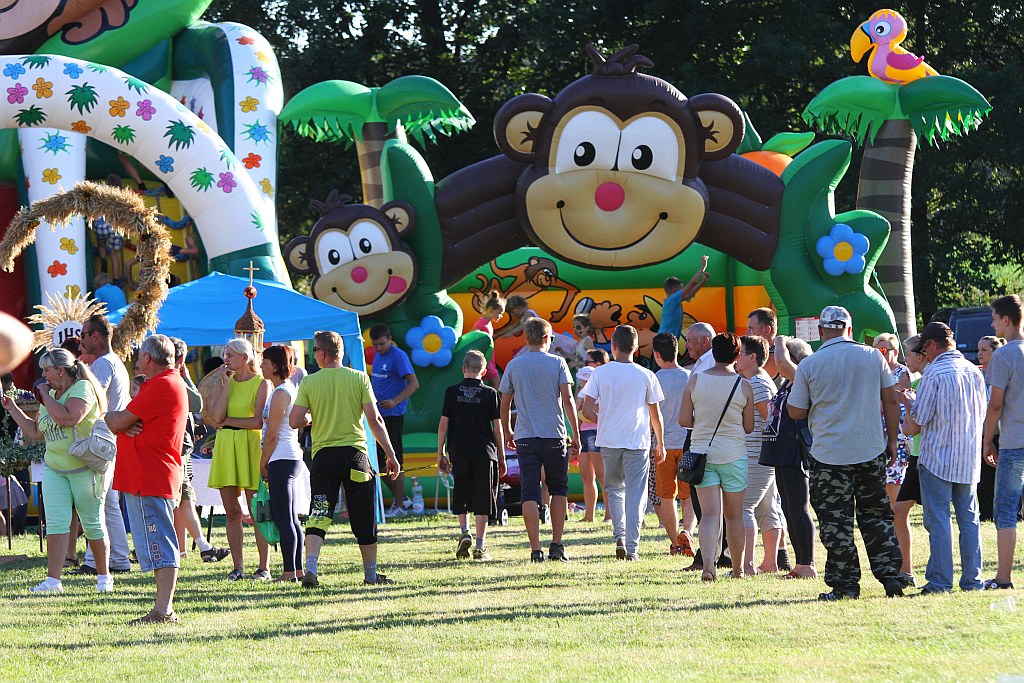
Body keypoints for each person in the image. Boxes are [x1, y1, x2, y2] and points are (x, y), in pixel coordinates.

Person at [787, 306, 905, 601]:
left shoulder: (810, 364)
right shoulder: (873, 356)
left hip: (829, 456)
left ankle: (845, 585)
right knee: (877, 516)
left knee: (835, 523)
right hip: (870, 448)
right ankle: (892, 577)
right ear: (849, 329)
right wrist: (892, 440)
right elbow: (891, 401)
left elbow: (796, 410)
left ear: (821, 331)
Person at [290, 330, 401, 587]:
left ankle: (311, 569)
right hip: (355, 457)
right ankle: (371, 575)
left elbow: (295, 421)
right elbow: (375, 420)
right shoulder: (359, 378)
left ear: (321, 353)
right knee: (363, 516)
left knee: (319, 513)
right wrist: (391, 455)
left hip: (323, 458)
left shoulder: (310, 382)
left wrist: (311, 418)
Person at [1, 349, 110, 593]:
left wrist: (45, 396)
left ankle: (104, 578)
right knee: (56, 524)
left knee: (92, 524)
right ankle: (53, 581)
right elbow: (36, 432)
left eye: (46, 370)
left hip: (85, 468)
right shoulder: (49, 394)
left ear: (61, 370)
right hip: (56, 469)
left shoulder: (82, 389)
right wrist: (12, 409)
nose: (43, 376)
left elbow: (68, 418)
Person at [898, 322, 986, 594]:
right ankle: (972, 580)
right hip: (968, 457)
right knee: (969, 520)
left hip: (937, 457)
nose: (925, 355)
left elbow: (918, 422)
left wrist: (909, 403)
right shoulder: (974, 371)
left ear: (932, 345)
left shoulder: (934, 373)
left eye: (925, 349)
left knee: (938, 521)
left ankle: (939, 582)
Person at [105, 335, 188, 622]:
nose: (136, 359)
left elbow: (118, 421)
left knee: (159, 545)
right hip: (149, 474)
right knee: (156, 544)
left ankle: (164, 610)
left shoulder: (162, 384)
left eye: (139, 355)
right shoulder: (166, 382)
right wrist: (122, 422)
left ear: (149, 358)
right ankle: (162, 608)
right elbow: (125, 422)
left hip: (150, 475)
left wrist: (114, 419)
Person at [499, 317, 580, 562]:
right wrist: (575, 434)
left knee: (529, 492)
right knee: (558, 489)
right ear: (547, 338)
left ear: (527, 337)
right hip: (554, 434)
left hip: (525, 436)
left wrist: (507, 431)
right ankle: (557, 544)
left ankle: (535, 549)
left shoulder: (514, 365)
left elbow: (504, 404)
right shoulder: (558, 363)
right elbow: (568, 400)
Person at [581, 326, 665, 560]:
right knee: (636, 495)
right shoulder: (647, 375)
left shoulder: (599, 373)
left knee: (615, 490)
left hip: (608, 441)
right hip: (637, 441)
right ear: (636, 348)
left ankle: (619, 537)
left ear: (613, 346)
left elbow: (586, 410)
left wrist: (603, 419)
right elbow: (656, 415)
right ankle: (633, 547)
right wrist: (661, 442)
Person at [678, 333, 754, 581]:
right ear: (737, 354)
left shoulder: (696, 380)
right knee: (734, 515)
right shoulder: (743, 385)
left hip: (703, 454)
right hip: (733, 455)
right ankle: (737, 569)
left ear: (713, 351)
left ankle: (708, 567)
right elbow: (750, 426)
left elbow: (683, 420)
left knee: (709, 515)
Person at [207, 338, 271, 581]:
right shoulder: (225, 382)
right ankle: (238, 567)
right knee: (232, 510)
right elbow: (215, 418)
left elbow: (257, 421)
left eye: (230, 355)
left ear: (245, 358)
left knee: (258, 509)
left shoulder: (261, 383)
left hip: (250, 447)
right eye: (225, 354)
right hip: (226, 447)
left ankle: (263, 567)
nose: (226, 359)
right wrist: (225, 387)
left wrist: (228, 422)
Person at [75, 314, 132, 575]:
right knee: (107, 502)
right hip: (110, 437)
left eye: (84, 334)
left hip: (101, 438)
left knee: (95, 500)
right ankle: (118, 558)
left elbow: (91, 399)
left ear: (95, 336)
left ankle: (95, 560)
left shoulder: (102, 365)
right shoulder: (115, 362)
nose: (82, 340)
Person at [437, 350, 505, 561]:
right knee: (484, 497)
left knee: (462, 493)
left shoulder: (450, 392)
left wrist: (440, 452)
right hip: (485, 453)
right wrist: (501, 456)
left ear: (463, 369)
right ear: (484, 371)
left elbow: (443, 425)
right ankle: (480, 545)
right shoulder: (491, 394)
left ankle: (464, 531)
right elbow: (497, 428)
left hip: (459, 451)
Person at [760, 336, 818, 579]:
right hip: (781, 452)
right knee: (788, 507)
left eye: (777, 353)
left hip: (794, 452)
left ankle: (807, 564)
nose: (774, 357)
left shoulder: (800, 378)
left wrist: (781, 339)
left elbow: (783, 364)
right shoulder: (786, 383)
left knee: (798, 507)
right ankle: (799, 564)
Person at [168, 338, 229, 563]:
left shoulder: (169, 378)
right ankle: (196, 547)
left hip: (179, 447)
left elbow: (196, 404)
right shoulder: (172, 379)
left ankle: (193, 548)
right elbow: (197, 403)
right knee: (181, 499)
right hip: (175, 448)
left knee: (183, 499)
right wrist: (185, 376)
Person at [982, 294, 1024, 590]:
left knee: (1007, 509)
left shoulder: (1004, 356)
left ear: (1006, 320)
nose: (993, 323)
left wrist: (987, 441)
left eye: (995, 318)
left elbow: (995, 404)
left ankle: (1004, 577)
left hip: (1014, 441)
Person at [736, 335, 784, 575]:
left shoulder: (756, 382)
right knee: (766, 509)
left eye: (740, 353)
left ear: (752, 357)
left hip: (755, 455)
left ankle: (747, 565)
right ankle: (770, 563)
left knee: (744, 508)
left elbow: (770, 419)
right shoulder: (762, 379)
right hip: (763, 455)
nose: (737, 358)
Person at [259, 345, 306, 582]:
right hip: (287, 456)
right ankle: (297, 569)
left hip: (281, 456)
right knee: (290, 517)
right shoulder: (283, 390)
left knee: (283, 517)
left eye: (265, 362)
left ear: (276, 365)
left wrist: (263, 461)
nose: (261, 365)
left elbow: (272, 434)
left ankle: (290, 571)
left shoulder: (281, 393)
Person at [650, 333, 695, 555]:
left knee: (667, 496)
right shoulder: (690, 376)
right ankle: (687, 532)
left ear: (657, 354)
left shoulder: (653, 379)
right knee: (689, 495)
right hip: (689, 443)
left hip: (663, 446)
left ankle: (675, 542)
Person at [369, 323, 420, 517]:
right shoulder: (378, 355)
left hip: (393, 416)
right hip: (378, 416)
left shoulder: (399, 356)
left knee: (395, 459)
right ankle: (403, 499)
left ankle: (399, 505)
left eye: (382, 344)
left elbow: (414, 384)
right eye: (376, 345)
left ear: (389, 339)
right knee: (378, 462)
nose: (379, 348)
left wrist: (394, 401)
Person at [576, 350, 610, 523]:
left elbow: (584, 410)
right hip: (584, 432)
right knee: (586, 476)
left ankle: (609, 514)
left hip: (596, 432)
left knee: (601, 474)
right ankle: (589, 515)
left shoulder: (601, 386)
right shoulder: (585, 389)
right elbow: (577, 412)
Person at [976, 335, 1006, 522]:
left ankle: (1014, 513)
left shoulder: (1001, 374)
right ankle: (986, 513)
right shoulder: (976, 374)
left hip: (1003, 433)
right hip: (982, 433)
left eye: (984, 350)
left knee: (1004, 477)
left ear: (995, 352)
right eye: (978, 350)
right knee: (984, 477)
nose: (979, 353)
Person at [660, 255, 710, 339]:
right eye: (681, 289)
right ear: (675, 290)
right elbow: (692, 284)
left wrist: (703, 281)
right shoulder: (671, 300)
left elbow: (690, 294)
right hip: (664, 340)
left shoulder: (674, 302)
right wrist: (702, 267)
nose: (683, 290)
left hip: (668, 340)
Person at [473, 291, 506, 386]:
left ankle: (488, 400)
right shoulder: (482, 322)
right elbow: (472, 335)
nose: (500, 316)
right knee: (496, 383)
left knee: (489, 384)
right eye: (499, 313)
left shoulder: (488, 323)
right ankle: (494, 401)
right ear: (491, 310)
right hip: (485, 359)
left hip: (489, 359)